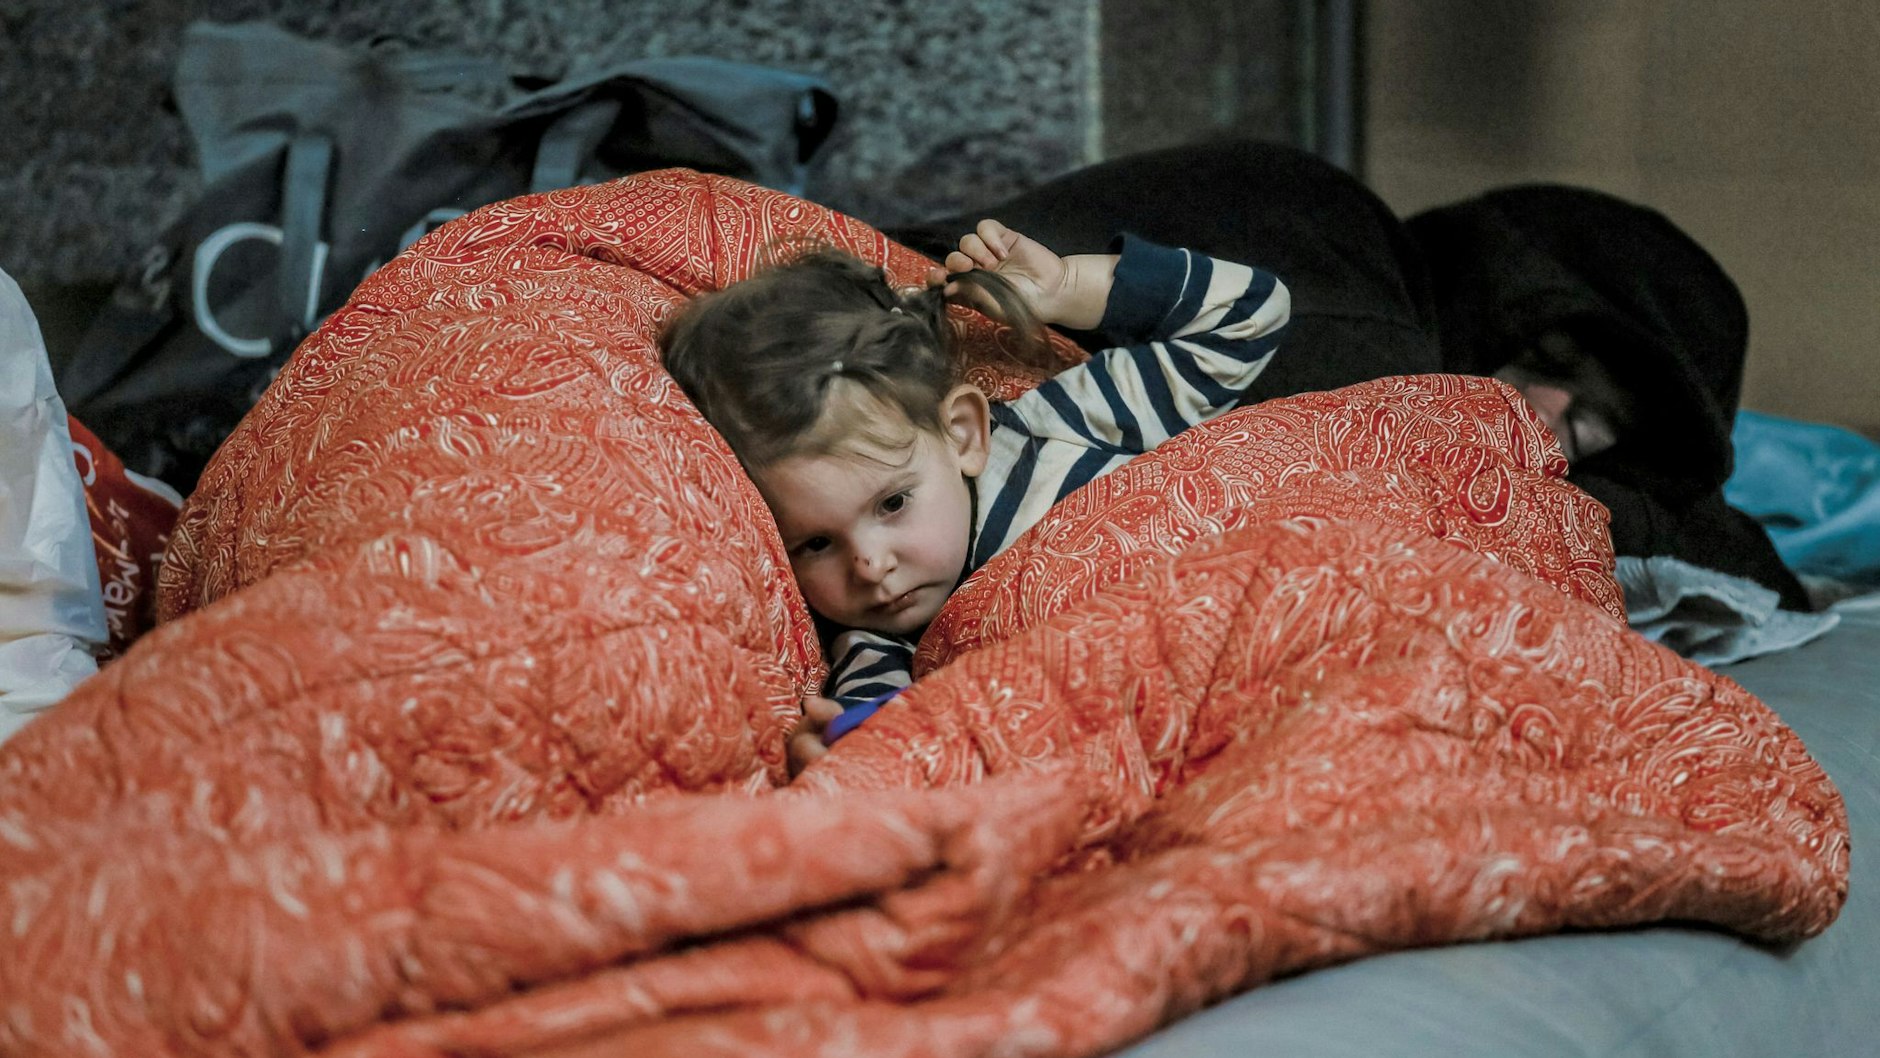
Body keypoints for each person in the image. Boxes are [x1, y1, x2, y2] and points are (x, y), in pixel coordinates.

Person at [660, 220, 1290, 770]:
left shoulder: (1059, 425)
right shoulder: (880, 641)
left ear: (962, 432)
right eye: (816, 542)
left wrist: (1070, 289)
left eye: (892, 504)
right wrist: (844, 750)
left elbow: (1249, 313)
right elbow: (890, 733)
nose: (871, 566)